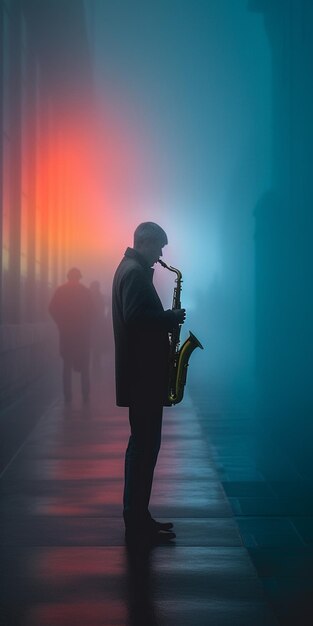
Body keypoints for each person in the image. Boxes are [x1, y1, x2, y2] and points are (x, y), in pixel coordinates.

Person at [112, 222, 186, 544]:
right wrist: (169, 318)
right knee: (144, 448)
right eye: (158, 248)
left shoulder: (129, 270)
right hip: (144, 378)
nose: (160, 256)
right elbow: (136, 318)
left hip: (141, 376)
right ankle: (137, 521)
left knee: (141, 448)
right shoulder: (133, 273)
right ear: (145, 243)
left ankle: (139, 517)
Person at [49, 267, 92, 404]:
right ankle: (85, 394)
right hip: (82, 335)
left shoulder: (61, 291)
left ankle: (68, 395)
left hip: (67, 334)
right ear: (79, 277)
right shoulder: (85, 292)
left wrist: (60, 323)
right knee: (84, 366)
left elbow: (52, 309)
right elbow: (94, 311)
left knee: (67, 366)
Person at [89, 280, 107, 374]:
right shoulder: (100, 297)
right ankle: (97, 367)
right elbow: (102, 311)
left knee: (92, 347)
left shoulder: (88, 297)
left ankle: (93, 366)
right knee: (97, 348)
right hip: (98, 326)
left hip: (90, 326)